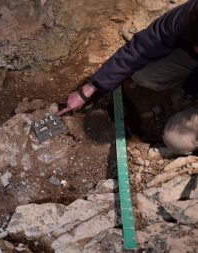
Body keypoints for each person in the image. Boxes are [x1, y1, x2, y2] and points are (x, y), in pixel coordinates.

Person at [58, 0, 198, 155]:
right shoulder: (189, 15)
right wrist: (89, 89)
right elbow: (142, 48)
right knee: (144, 75)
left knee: (176, 140)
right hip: (192, 59)